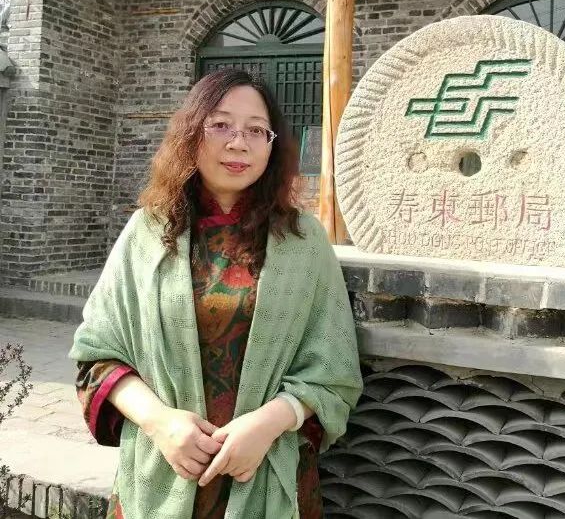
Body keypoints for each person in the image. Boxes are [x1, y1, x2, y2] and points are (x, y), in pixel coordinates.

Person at [69, 68, 363, 519]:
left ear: (273, 145)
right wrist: (160, 423)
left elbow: (334, 371)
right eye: (221, 125)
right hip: (163, 465)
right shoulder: (149, 232)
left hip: (265, 472)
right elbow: (97, 359)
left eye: (256, 130)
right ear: (191, 133)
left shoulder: (303, 239)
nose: (238, 143)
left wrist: (267, 424)